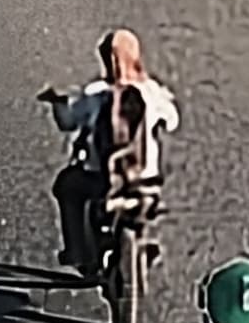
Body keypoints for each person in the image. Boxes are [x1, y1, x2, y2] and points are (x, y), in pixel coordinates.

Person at [45, 28, 178, 280]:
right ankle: (141, 246)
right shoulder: (152, 92)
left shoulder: (95, 94)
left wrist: (57, 103)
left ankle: (77, 251)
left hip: (103, 182)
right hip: (145, 184)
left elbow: (68, 122)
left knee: (66, 186)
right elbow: (172, 121)